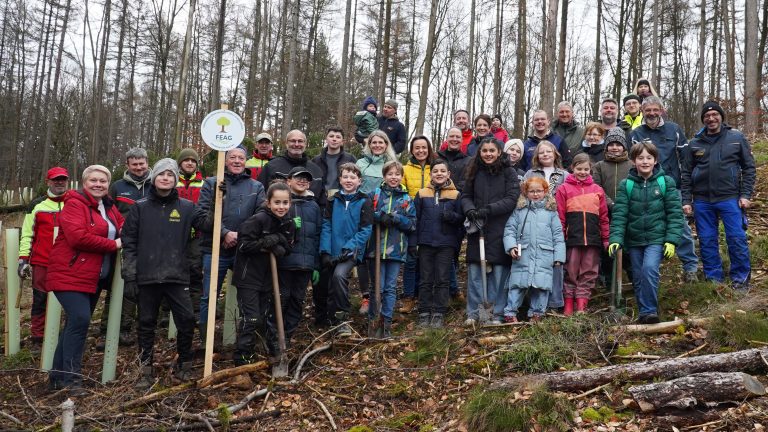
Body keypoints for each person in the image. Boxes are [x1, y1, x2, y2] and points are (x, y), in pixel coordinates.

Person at [122, 158, 200, 389]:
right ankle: (145, 369)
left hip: (177, 275)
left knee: (186, 320)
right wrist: (130, 274)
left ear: (175, 179)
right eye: (161, 174)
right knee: (146, 323)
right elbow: (129, 242)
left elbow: (206, 225)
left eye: (170, 175)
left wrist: (219, 199)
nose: (165, 178)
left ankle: (184, 363)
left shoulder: (187, 208)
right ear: (154, 177)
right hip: (148, 276)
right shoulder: (140, 208)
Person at [46, 165, 124, 395]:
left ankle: (57, 376)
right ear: (84, 182)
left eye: (103, 180)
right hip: (69, 273)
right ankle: (72, 380)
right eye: (93, 180)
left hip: (94, 276)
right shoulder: (74, 204)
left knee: (75, 323)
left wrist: (127, 229)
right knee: (80, 320)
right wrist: (115, 244)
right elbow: (78, 237)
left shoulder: (108, 207)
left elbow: (121, 225)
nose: (98, 184)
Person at [681, 101, 756, 290]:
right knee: (706, 240)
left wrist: (745, 194)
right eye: (707, 116)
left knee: (736, 238)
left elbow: (749, 168)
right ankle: (714, 279)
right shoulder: (694, 143)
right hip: (702, 200)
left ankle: (740, 279)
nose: (711, 118)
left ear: (721, 117)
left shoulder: (736, 137)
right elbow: (686, 173)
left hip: (730, 198)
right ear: (703, 119)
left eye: (715, 114)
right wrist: (686, 199)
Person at [609, 141, 684, 324]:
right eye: (640, 158)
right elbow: (620, 215)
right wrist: (616, 239)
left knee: (649, 269)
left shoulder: (665, 182)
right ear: (633, 161)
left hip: (656, 239)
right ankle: (645, 313)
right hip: (634, 240)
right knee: (638, 276)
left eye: (648, 158)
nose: (644, 162)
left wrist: (671, 241)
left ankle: (650, 310)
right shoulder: (626, 185)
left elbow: (675, 213)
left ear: (655, 160)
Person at [195, 144, 266, 334]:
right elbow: (201, 216)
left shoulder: (256, 186)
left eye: (240, 158)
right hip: (215, 249)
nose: (236, 161)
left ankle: (246, 335)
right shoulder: (212, 183)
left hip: (244, 249)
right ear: (225, 161)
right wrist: (224, 232)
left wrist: (239, 235)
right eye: (232, 157)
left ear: (246, 161)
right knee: (209, 296)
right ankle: (206, 338)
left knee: (249, 293)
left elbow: (260, 216)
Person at [630, 96, 699, 282]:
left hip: (672, 186)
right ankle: (650, 270)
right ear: (642, 112)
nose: (651, 113)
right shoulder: (636, 133)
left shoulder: (674, 129)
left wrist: (686, 193)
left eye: (655, 109)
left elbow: (686, 161)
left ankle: (690, 267)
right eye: (647, 110)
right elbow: (634, 162)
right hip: (645, 187)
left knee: (681, 227)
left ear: (661, 110)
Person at [232, 182, 295, 365]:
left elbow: (289, 245)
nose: (281, 207)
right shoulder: (257, 220)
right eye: (277, 202)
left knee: (265, 317)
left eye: (285, 203)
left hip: (269, 278)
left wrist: (282, 246)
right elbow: (244, 245)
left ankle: (269, 353)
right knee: (251, 318)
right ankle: (242, 359)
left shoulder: (288, 222)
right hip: (248, 277)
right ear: (268, 203)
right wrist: (270, 241)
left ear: (290, 203)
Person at [462, 138, 520, 325]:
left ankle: (496, 314)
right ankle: (475, 313)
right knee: (476, 272)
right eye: (484, 150)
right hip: (477, 227)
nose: (488, 154)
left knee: (498, 273)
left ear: (499, 152)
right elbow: (465, 195)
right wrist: (470, 209)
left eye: (492, 150)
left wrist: (489, 209)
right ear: (480, 152)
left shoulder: (508, 172)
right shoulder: (474, 170)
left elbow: (512, 199)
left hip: (500, 228)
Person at [318, 163, 373, 336]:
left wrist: (349, 247)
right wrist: (325, 251)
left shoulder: (364, 200)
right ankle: (333, 320)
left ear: (359, 181)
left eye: (353, 177)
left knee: (339, 276)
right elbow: (326, 225)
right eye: (345, 177)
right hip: (333, 249)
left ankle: (344, 320)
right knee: (331, 284)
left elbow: (366, 229)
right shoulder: (333, 200)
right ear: (340, 180)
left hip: (351, 251)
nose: (349, 180)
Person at [105, 147, 151, 345]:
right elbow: (108, 212)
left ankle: (143, 327)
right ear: (127, 165)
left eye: (142, 164)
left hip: (150, 242)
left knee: (146, 285)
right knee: (119, 284)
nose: (139, 168)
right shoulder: (117, 186)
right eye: (135, 164)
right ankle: (112, 327)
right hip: (123, 242)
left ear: (147, 163)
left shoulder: (155, 184)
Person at [18, 167, 70, 344]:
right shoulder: (37, 205)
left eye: (63, 179)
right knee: (40, 299)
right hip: (42, 261)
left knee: (67, 300)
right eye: (56, 179)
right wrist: (23, 259)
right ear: (48, 182)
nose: (60, 182)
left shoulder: (75, 203)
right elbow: (27, 234)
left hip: (68, 262)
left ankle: (61, 334)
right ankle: (38, 337)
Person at [502, 177, 565, 323]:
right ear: (526, 192)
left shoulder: (551, 212)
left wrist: (558, 257)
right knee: (517, 284)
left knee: (541, 286)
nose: (535, 194)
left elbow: (558, 235)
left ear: (545, 192)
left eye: (539, 191)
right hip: (523, 254)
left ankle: (537, 314)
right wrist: (511, 246)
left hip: (545, 255)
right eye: (532, 191)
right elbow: (509, 230)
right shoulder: (519, 210)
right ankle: (510, 313)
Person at [555, 154, 610, 315]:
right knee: (570, 271)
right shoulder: (564, 189)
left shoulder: (597, 190)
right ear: (572, 168)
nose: (583, 172)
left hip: (593, 239)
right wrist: (560, 238)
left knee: (589, 271)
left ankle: (581, 305)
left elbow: (604, 217)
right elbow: (560, 216)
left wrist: (606, 238)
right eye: (579, 169)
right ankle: (568, 304)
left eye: (586, 169)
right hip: (572, 238)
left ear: (590, 170)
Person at [275, 167, 322, 347]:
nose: (302, 181)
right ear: (289, 181)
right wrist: (288, 224)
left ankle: (287, 336)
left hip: (306, 263)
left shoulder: (314, 205)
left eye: (306, 179)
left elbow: (317, 234)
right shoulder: (283, 203)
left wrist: (316, 265)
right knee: (282, 297)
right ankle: (276, 335)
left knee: (297, 299)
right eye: (298, 178)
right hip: (284, 262)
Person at [415, 159, 464, 328]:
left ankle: (438, 312)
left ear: (448, 174)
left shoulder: (455, 194)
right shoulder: (422, 194)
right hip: (426, 242)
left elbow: (461, 220)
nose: (439, 174)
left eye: (443, 171)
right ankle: (424, 311)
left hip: (446, 243)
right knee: (425, 278)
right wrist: (416, 242)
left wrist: (451, 217)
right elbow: (417, 219)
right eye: (435, 171)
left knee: (443, 278)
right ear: (431, 174)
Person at [368, 161, 415, 334]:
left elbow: (412, 224)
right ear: (384, 176)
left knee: (390, 287)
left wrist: (396, 219)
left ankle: (386, 320)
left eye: (397, 174)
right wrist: (378, 216)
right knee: (377, 287)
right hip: (376, 249)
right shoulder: (374, 195)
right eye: (390, 174)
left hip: (396, 249)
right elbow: (365, 214)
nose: (393, 177)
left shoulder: (406, 198)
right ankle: (374, 319)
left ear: (402, 177)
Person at [355, 130, 397, 313]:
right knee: (363, 256)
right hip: (363, 213)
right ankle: (366, 296)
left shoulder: (392, 164)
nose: (377, 145)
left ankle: (381, 295)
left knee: (380, 254)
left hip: (384, 216)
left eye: (381, 142)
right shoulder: (361, 163)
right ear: (369, 145)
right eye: (374, 143)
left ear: (386, 145)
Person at [399, 136, 435, 314]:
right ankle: (408, 296)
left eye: (424, 147)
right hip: (412, 219)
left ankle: (423, 294)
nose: (421, 151)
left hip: (431, 219)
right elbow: (401, 192)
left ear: (428, 149)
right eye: (417, 148)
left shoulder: (435, 169)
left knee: (426, 259)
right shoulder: (405, 169)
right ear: (412, 150)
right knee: (411, 259)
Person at [258, 130, 325, 206]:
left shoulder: (316, 170)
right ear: (286, 143)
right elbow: (262, 197)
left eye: (300, 141)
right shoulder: (271, 167)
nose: (296, 144)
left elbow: (322, 202)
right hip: (279, 216)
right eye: (293, 141)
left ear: (305, 144)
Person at [176, 148, 205, 324]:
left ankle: (195, 309)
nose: (189, 163)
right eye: (186, 160)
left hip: (197, 234)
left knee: (195, 270)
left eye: (193, 161)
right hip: (174, 234)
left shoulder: (204, 183)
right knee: (172, 270)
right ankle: (166, 312)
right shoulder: (172, 180)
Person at [312, 126, 357, 200]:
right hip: (321, 202)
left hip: (343, 200)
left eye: (338, 137)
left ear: (342, 141)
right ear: (326, 139)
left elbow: (356, 179)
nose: (334, 139)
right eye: (331, 136)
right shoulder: (316, 160)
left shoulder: (350, 159)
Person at [437, 127, 469, 191]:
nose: (454, 139)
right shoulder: (436, 157)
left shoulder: (468, 161)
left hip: (459, 198)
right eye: (451, 136)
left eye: (458, 137)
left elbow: (467, 183)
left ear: (462, 140)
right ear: (446, 139)